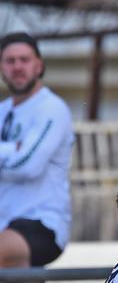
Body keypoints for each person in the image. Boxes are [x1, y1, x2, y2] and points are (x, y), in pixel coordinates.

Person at [0, 32, 74, 268]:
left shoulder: (51, 108)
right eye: (10, 61)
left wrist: (16, 154)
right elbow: (18, 159)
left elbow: (27, 167)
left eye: (24, 60)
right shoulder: (2, 111)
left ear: (39, 65)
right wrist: (14, 148)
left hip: (42, 223)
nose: (17, 67)